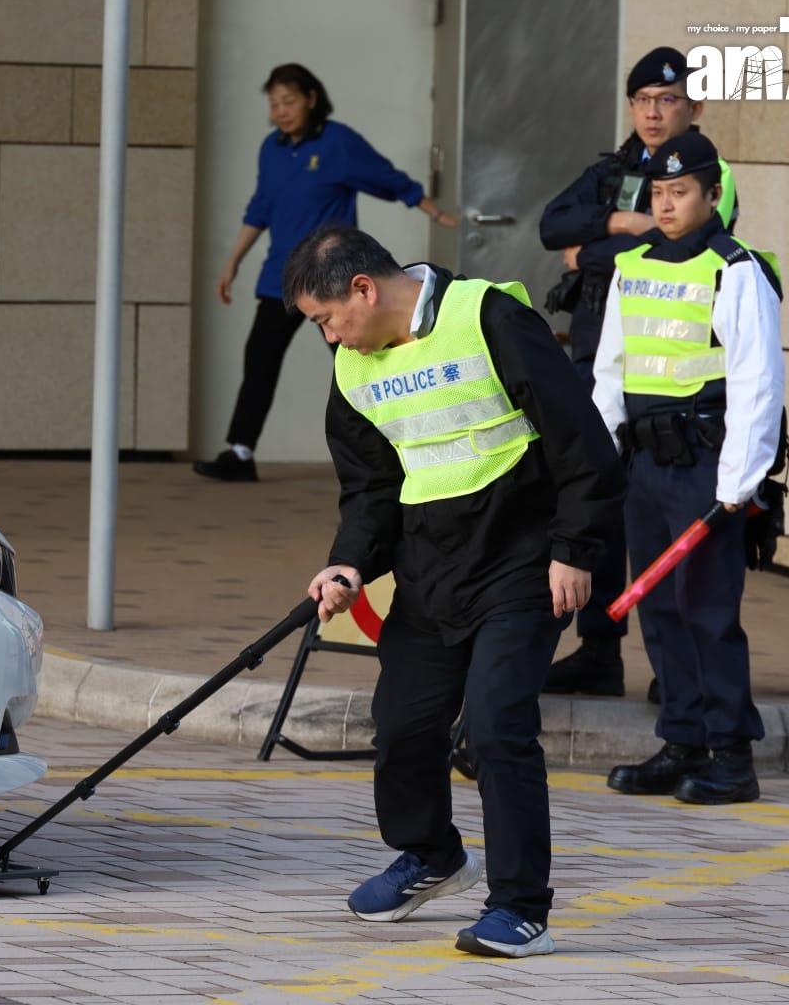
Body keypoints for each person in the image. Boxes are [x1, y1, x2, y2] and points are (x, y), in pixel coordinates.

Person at [286, 226, 624, 957]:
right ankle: (431, 856)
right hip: (429, 570)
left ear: (364, 289)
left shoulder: (489, 318)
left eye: (326, 316)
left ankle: (520, 906)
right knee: (402, 726)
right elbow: (371, 487)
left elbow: (580, 441)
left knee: (499, 727)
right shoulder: (353, 368)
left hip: (523, 560)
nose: (327, 333)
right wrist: (348, 564)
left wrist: (575, 549)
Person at [537, 46, 740, 697]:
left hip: (674, 389)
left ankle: (676, 672)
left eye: (668, 100)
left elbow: (671, 250)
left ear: (694, 107)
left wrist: (589, 254)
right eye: (644, 101)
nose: (654, 113)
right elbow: (552, 225)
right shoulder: (620, 170)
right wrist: (620, 223)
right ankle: (600, 649)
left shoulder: (712, 175)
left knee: (673, 535)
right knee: (600, 512)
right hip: (602, 368)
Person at [592, 131, 784, 805]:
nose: (667, 204)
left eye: (681, 192)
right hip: (643, 464)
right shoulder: (633, 263)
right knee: (659, 612)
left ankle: (731, 755)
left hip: (706, 465)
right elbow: (610, 369)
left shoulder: (736, 269)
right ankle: (681, 741)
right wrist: (601, 456)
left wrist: (738, 486)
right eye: (659, 193)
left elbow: (758, 382)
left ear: (711, 195)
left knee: (706, 612)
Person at [193, 63, 460, 483]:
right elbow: (260, 208)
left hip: (331, 282)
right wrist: (232, 262)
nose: (281, 111)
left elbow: (387, 177)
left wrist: (436, 211)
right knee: (259, 362)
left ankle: (397, 449)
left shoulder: (337, 143)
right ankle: (240, 453)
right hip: (279, 280)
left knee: (362, 362)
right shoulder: (272, 149)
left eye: (289, 101)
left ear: (311, 99)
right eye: (274, 103)